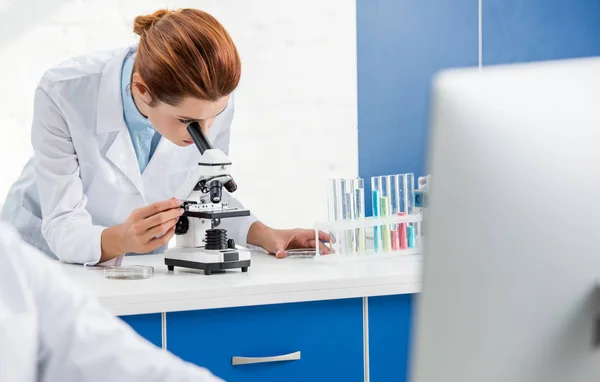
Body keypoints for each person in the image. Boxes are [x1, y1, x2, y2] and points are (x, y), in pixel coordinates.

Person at [0, 8, 329, 265]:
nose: (205, 132)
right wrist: (122, 239)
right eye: (186, 120)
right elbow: (62, 222)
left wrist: (266, 235)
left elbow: (205, 194)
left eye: (214, 116)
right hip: (41, 252)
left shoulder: (208, 99)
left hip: (140, 262)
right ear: (142, 89)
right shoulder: (64, 92)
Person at [0, 221, 222, 381]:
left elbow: (105, 356)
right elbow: (64, 224)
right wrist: (122, 237)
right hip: (66, 252)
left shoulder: (11, 260)